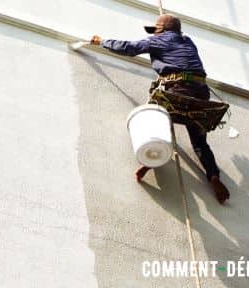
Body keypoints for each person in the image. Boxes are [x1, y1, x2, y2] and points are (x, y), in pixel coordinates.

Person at [90, 14, 230, 204]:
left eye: (156, 30)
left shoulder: (161, 39)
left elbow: (129, 48)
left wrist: (102, 41)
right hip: (201, 95)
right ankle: (213, 176)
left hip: (179, 90)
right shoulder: (188, 42)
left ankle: (149, 161)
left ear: (161, 29)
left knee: (155, 120)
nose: (154, 34)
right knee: (199, 141)